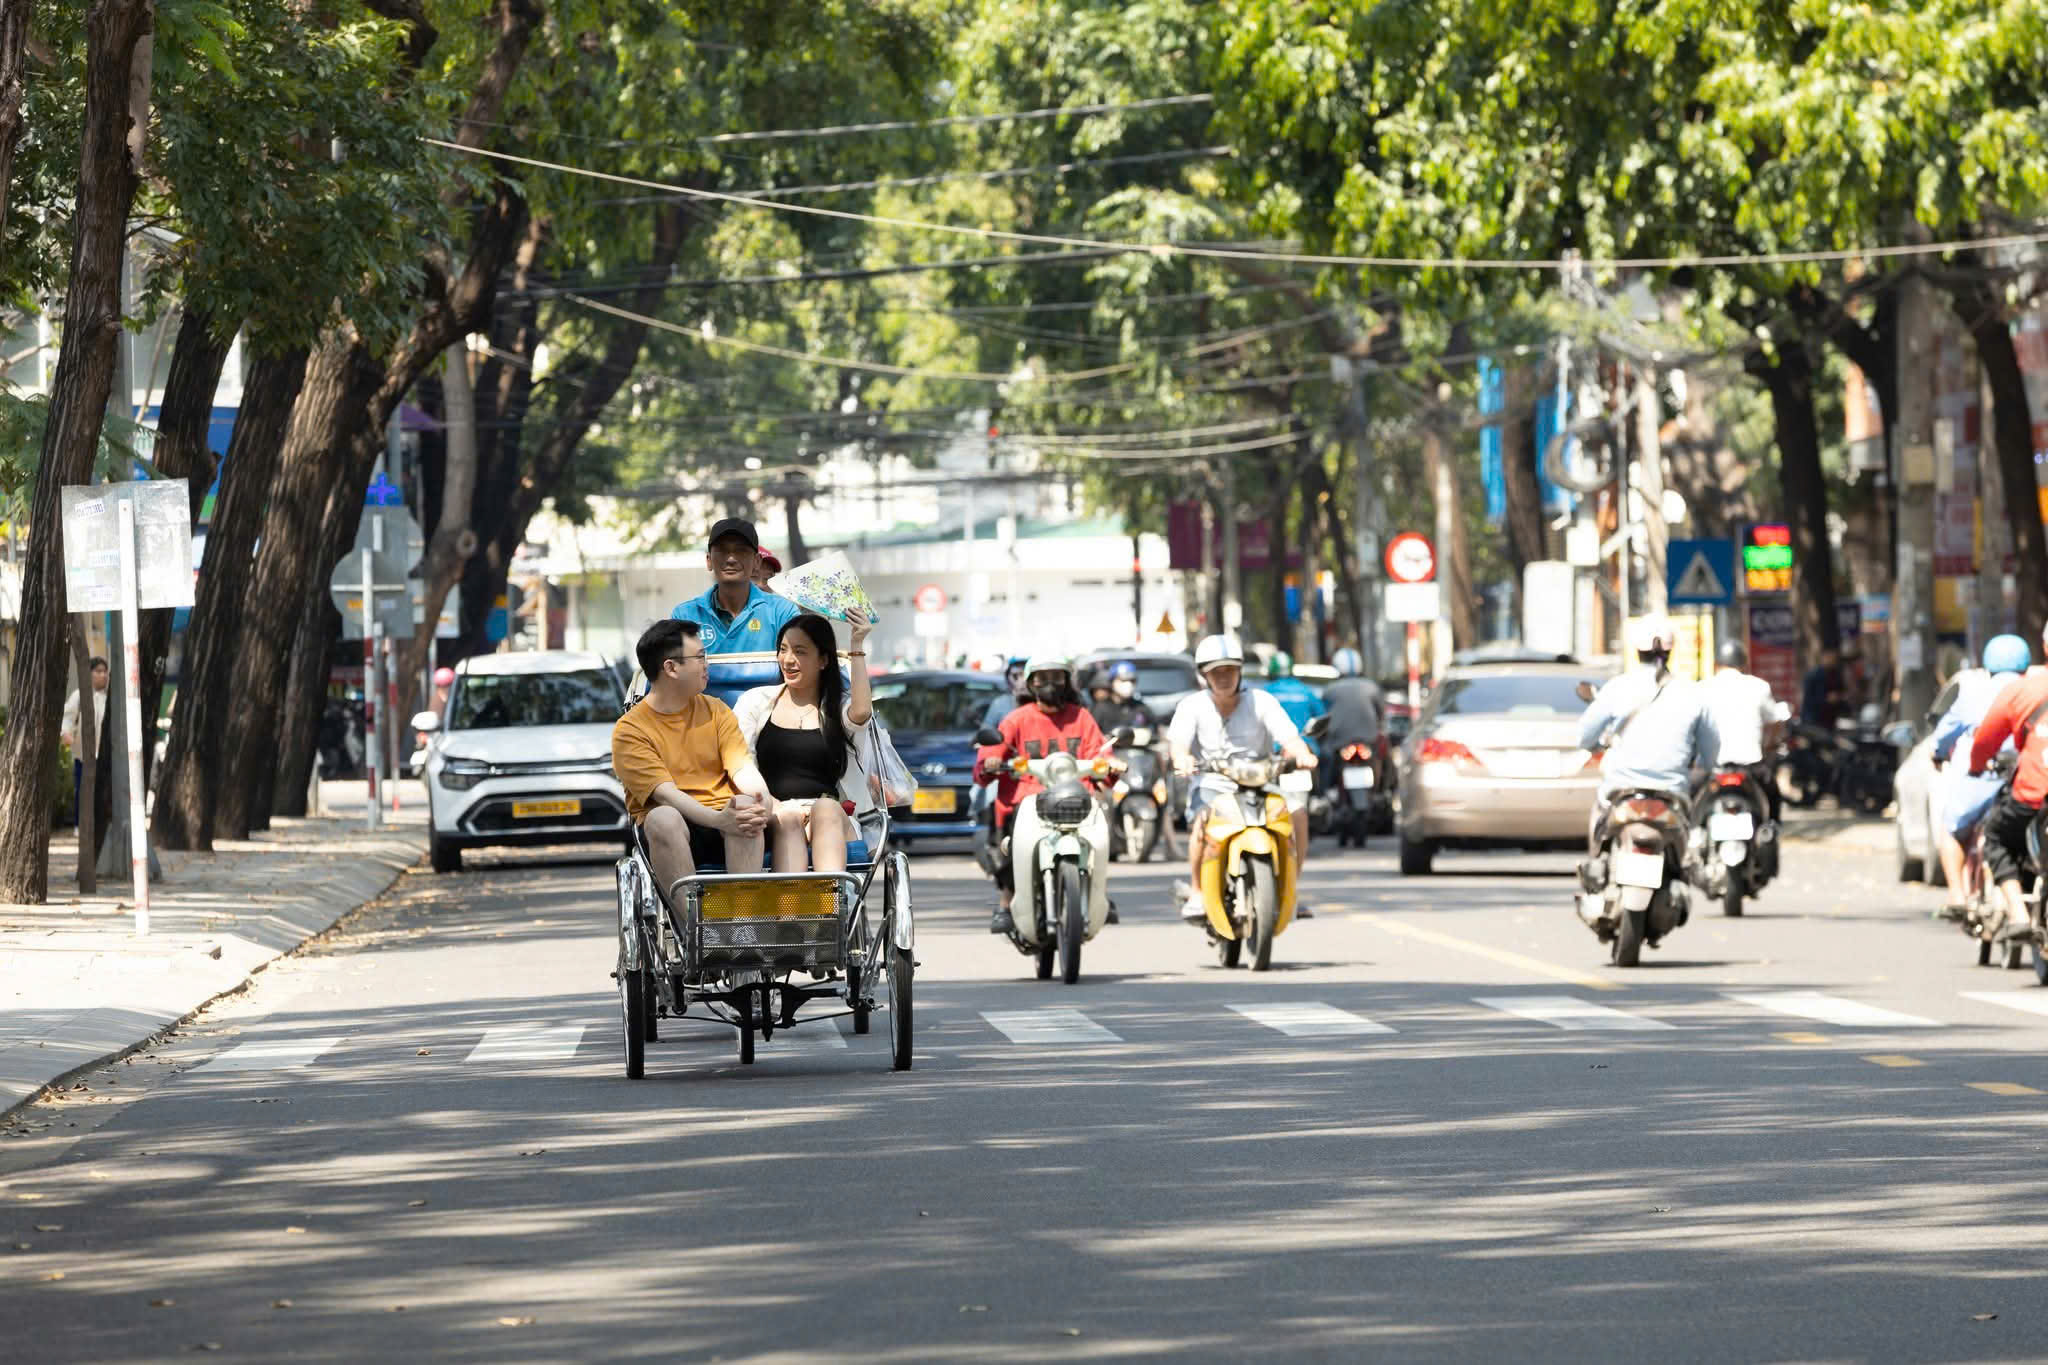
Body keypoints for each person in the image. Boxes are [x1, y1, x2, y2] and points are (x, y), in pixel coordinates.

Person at [612, 618, 774, 901]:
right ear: (671, 668)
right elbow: (667, 796)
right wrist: (719, 819)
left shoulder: (716, 710)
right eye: (699, 657)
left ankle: (744, 933)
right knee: (663, 817)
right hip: (674, 828)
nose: (706, 664)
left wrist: (762, 801)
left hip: (725, 821)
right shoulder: (630, 730)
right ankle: (695, 935)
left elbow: (743, 770)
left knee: (745, 807)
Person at [1170, 635, 1317, 922]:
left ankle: (1290, 890)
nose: (1224, 678)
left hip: (1261, 782)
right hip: (1212, 785)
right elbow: (1179, 745)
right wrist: (1183, 759)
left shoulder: (1262, 701)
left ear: (1239, 672)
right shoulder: (1192, 706)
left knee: (1297, 812)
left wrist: (1302, 754)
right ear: (1204, 675)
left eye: (1229, 670)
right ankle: (1199, 891)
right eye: (1216, 672)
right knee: (1202, 819)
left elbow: (1289, 737)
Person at [975, 656, 1113, 936]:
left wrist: (1111, 763)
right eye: (1041, 678)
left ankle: (1097, 896)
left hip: (1077, 802)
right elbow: (988, 758)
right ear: (1030, 684)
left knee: (1102, 835)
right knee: (1009, 845)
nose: (1049, 684)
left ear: (1066, 681)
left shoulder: (1081, 717)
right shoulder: (1016, 720)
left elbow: (1100, 753)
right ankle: (1006, 902)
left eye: (1056, 677)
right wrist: (990, 762)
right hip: (1027, 804)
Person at [732, 610, 875, 873]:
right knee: (788, 818)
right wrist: (775, 805)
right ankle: (792, 910)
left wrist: (856, 644)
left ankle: (830, 910)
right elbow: (739, 763)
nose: (788, 660)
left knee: (826, 808)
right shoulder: (755, 702)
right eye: (783, 649)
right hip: (773, 811)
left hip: (830, 816)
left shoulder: (838, 709)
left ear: (823, 660)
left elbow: (862, 713)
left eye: (800, 651)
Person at [1577, 619, 1720, 860]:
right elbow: (1711, 754)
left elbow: (1583, 737)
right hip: (1672, 794)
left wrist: (1598, 744)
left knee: (1600, 815)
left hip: (1620, 791)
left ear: (1636, 651)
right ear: (1670, 652)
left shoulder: (1617, 688)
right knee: (1687, 852)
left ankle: (1596, 868)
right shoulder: (1693, 693)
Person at [1931, 634, 2029, 915]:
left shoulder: (1974, 693)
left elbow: (1945, 736)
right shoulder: (2035, 690)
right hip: (2029, 777)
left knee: (1951, 827)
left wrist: (1938, 754)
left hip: (1985, 776)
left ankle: (1957, 897)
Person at [1966, 622, 2048, 945]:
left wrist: (1975, 767)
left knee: (1997, 836)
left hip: (2034, 791)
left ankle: (2017, 913)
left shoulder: (2023, 689)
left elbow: (1985, 740)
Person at [671, 517, 801, 653]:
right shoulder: (684, 616)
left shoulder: (782, 613)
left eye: (741, 551)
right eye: (722, 550)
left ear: (757, 562)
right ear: (709, 560)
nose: (731, 559)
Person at [1700, 638, 1788, 827]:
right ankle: (1771, 830)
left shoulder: (1702, 688)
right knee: (1772, 794)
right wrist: (1770, 745)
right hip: (1751, 766)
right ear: (1744, 664)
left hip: (1711, 768)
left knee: (1691, 795)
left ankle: (1693, 835)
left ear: (1716, 664)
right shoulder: (1759, 686)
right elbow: (1775, 722)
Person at [61, 656, 109, 827]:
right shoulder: (79, 696)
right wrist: (65, 733)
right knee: (83, 791)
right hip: (83, 755)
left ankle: (100, 825)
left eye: (105, 672)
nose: (103, 675)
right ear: (90, 673)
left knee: (102, 793)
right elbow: (67, 716)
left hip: (103, 756)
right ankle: (79, 825)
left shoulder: (108, 699)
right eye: (98, 671)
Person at [1089, 660, 1150, 737]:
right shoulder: (1100, 709)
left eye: (1132, 680)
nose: (1129, 684)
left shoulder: (1140, 707)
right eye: (1123, 680)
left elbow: (1156, 731)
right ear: (1112, 682)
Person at [1800, 647, 1845, 729]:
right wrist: (1826, 699)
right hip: (1814, 720)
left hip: (1830, 720)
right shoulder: (1813, 675)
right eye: (1829, 657)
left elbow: (1841, 692)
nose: (1831, 660)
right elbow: (1809, 699)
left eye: (1833, 657)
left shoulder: (1835, 674)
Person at [981, 655, 1030, 730]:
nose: (1022, 681)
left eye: (1025, 675)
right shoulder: (1000, 704)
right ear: (1008, 679)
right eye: (1015, 676)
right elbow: (986, 732)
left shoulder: (1043, 703)